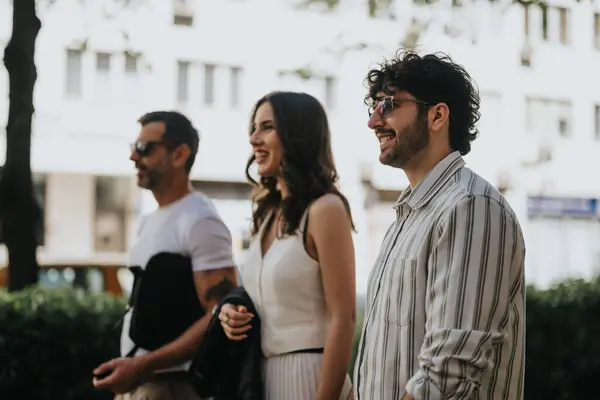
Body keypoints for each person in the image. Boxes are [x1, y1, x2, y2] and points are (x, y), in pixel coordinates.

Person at [353, 51, 526, 400]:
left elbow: (448, 373)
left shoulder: (472, 206)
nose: (373, 122)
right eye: (372, 108)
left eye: (387, 105)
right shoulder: (407, 217)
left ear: (437, 115)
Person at [218, 91, 356, 400]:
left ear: (298, 135)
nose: (254, 139)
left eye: (267, 127)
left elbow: (343, 319)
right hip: (261, 377)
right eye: (254, 128)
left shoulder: (325, 209)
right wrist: (230, 312)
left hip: (310, 377)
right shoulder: (267, 213)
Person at [92, 111, 238, 400]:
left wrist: (143, 365)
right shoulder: (149, 220)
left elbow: (220, 314)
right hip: (141, 384)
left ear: (180, 154)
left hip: (172, 386)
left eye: (145, 148)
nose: (134, 156)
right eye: (133, 148)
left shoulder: (200, 220)